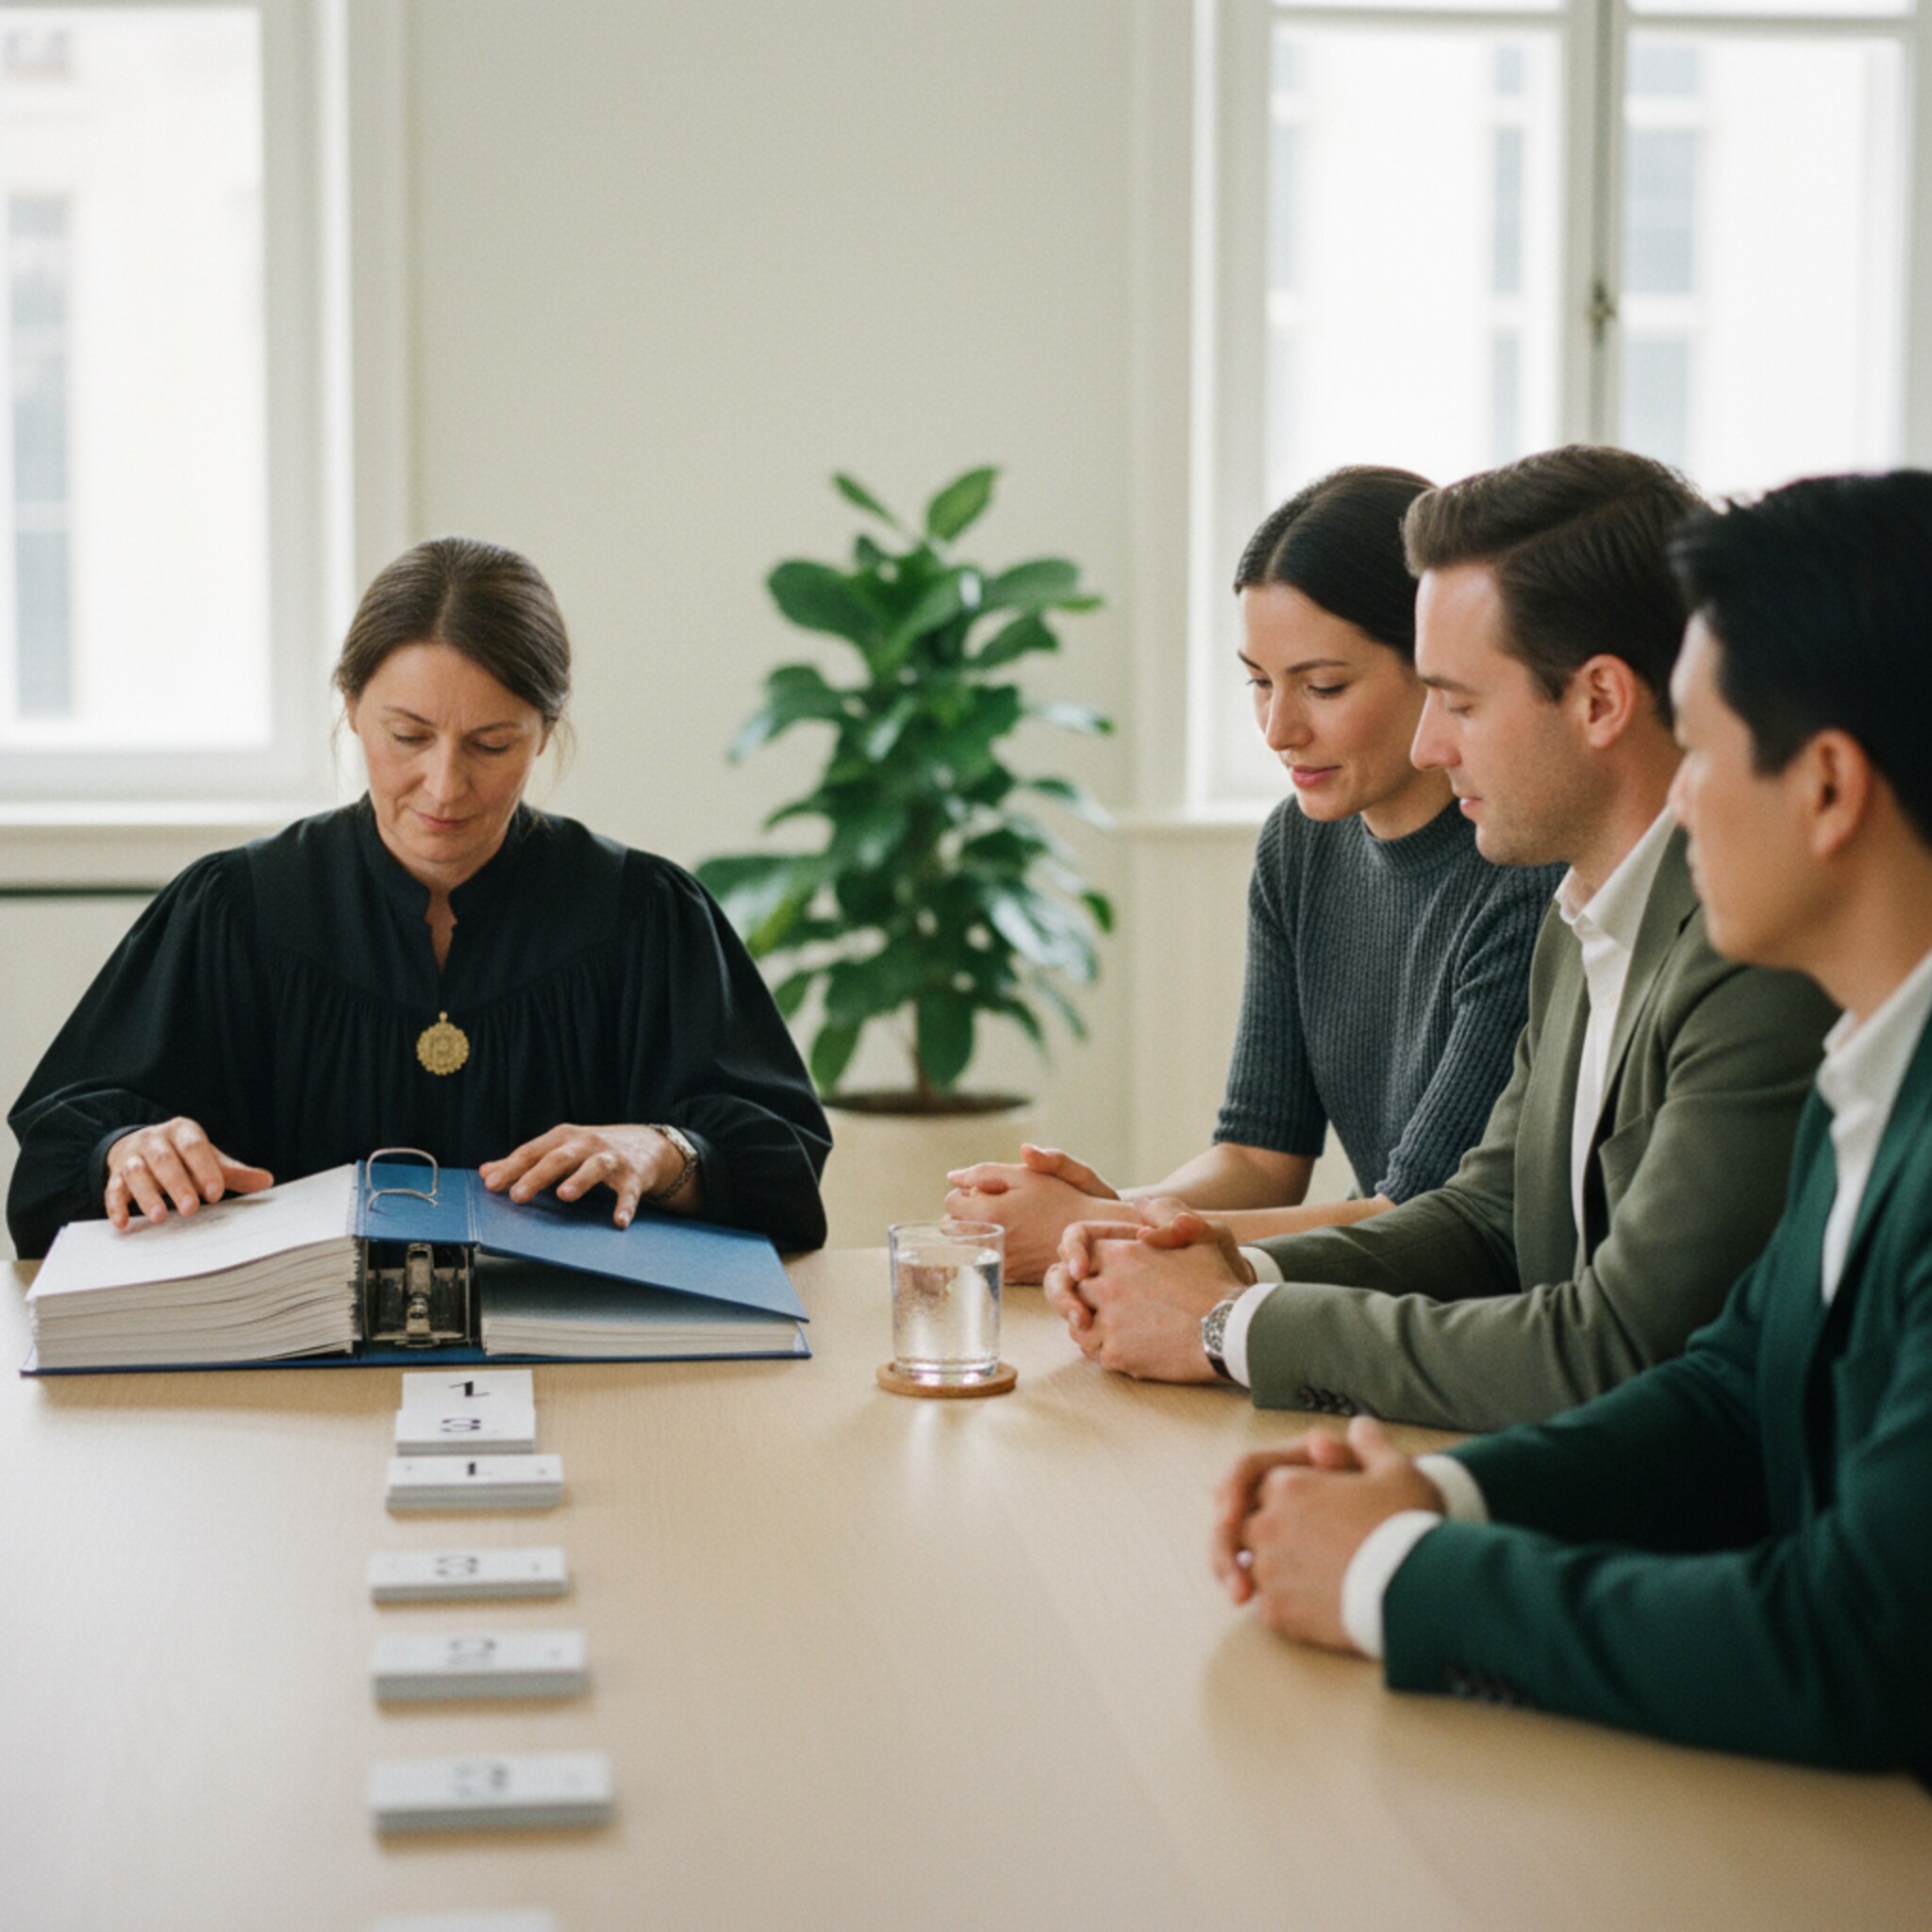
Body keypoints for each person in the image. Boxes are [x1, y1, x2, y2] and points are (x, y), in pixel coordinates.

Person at [1209, 471, 1932, 1777]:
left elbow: (1855, 1637)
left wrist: (1398, 1575)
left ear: (1825, 790)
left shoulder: (1809, 1015)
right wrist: (1437, 1495)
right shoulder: (1874, 1065)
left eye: (1703, 748)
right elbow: (1721, 1387)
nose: (1679, 796)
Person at [1045, 446, 1836, 1430]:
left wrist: (1226, 1323)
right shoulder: (1579, 914)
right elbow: (1485, 1217)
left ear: (1597, 699)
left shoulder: (1749, 949)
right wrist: (1225, 1260)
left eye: (1457, 702)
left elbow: (1616, 1349)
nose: (1430, 744)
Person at [8, 536, 831, 1259]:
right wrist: (126, 1151)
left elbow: (784, 1168)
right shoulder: (236, 909)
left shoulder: (644, 913)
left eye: (492, 744)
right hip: (280, 1386)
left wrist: (667, 1153)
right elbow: (51, 1164)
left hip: (585, 1374)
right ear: (351, 708)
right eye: (408, 737)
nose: (445, 786)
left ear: (546, 730)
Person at [947, 467, 1560, 1282]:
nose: (1279, 729)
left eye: (1323, 686)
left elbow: (1425, 1215)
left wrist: (1109, 1222)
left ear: (1436, 668)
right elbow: (1258, 1153)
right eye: (1258, 682)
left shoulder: (1522, 867)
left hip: (1450, 1308)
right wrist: (1101, 1216)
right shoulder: (1299, 847)